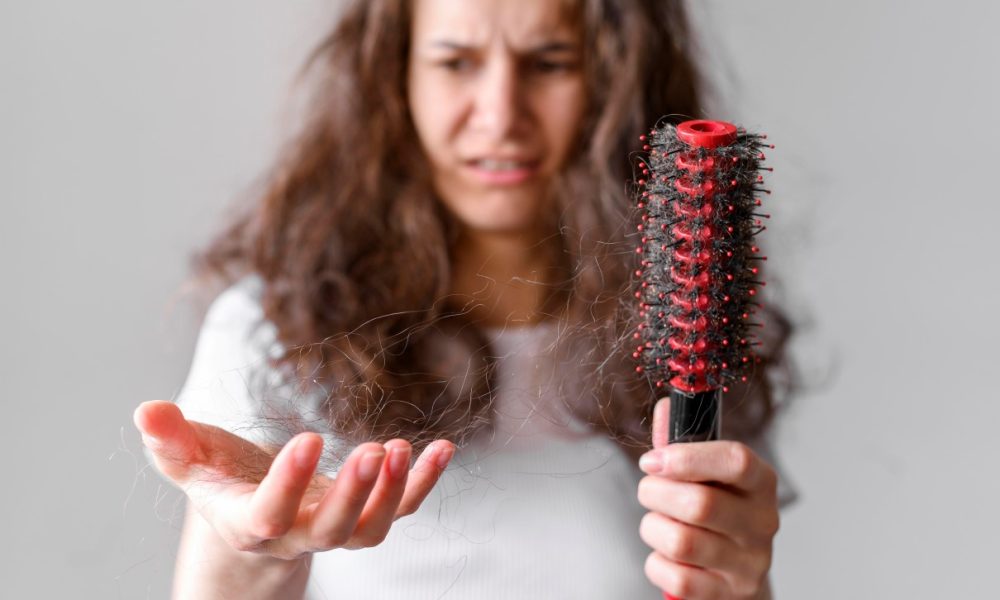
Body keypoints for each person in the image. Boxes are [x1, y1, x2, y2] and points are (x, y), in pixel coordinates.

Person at [134, 0, 793, 598]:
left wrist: (738, 586)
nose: (501, 114)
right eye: (456, 62)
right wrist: (256, 549)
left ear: (615, 80)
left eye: (549, 62)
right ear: (397, 79)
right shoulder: (273, 331)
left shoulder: (692, 336)